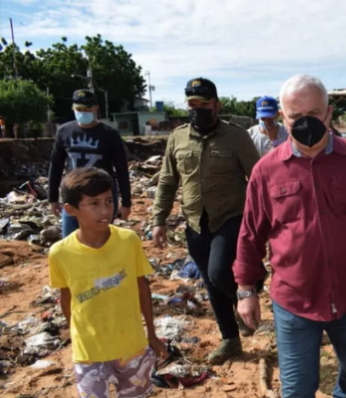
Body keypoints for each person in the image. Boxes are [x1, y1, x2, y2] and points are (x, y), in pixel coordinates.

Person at [234, 74, 346, 398]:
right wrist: (246, 291)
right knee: (297, 389)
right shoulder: (266, 171)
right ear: (283, 118)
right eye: (296, 116)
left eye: (314, 114)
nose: (306, 122)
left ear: (329, 113)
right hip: (294, 300)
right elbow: (250, 235)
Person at [152, 77, 262, 364]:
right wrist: (158, 220)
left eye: (204, 104)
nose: (197, 109)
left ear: (217, 105)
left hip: (231, 216)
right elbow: (167, 180)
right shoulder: (177, 137)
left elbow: (258, 178)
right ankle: (231, 340)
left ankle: (249, 291)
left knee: (218, 273)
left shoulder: (236, 136)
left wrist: (264, 221)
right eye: (192, 104)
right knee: (211, 284)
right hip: (194, 221)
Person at [48, 167, 168, 398]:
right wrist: (77, 337)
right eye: (93, 204)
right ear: (71, 210)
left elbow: (142, 287)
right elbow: (66, 298)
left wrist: (151, 334)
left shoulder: (128, 241)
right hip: (89, 351)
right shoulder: (60, 253)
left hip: (131, 346)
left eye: (109, 201)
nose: (105, 210)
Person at [48, 89, 132, 239]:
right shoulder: (64, 132)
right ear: (73, 109)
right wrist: (52, 199)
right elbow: (56, 166)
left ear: (95, 108)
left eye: (87, 109)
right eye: (79, 109)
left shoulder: (109, 134)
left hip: (101, 196)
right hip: (73, 194)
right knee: (71, 241)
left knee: (99, 240)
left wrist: (126, 203)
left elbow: (121, 170)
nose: (83, 112)